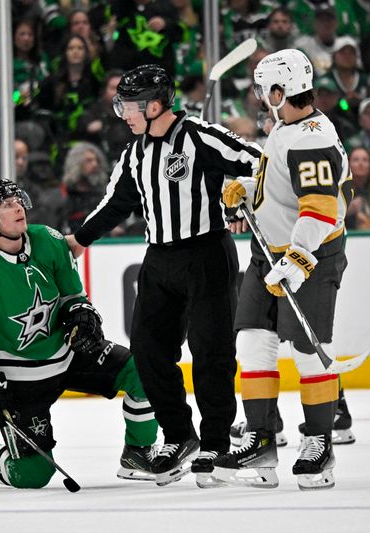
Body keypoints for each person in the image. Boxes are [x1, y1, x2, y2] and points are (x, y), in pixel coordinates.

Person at [65, 64, 261, 487]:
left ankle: (215, 443)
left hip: (207, 254)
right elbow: (116, 203)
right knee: (149, 353)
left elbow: (258, 164)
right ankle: (179, 437)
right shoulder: (134, 153)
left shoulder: (200, 135)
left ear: (155, 105)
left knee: (212, 354)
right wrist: (80, 239)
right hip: (160, 261)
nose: (123, 113)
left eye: (129, 105)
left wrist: (242, 195)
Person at [0, 179, 158, 489]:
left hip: (67, 354)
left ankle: (138, 453)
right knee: (32, 475)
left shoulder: (47, 239)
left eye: (18, 200)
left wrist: (81, 315)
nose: (17, 207)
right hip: (22, 381)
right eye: (6, 205)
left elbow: (74, 297)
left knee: (143, 372)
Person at [215, 49, 354, 490]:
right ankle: (259, 439)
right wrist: (248, 190)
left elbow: (319, 209)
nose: (259, 97)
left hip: (308, 257)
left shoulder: (312, 137)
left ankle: (320, 443)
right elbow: (283, 185)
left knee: (311, 352)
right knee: (253, 339)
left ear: (281, 91)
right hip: (267, 254)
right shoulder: (289, 128)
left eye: (263, 89)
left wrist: (298, 258)